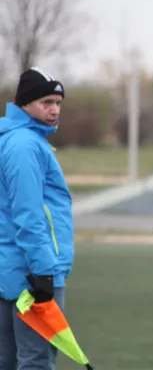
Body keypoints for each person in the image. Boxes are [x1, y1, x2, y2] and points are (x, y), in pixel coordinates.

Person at [0, 67, 73, 370]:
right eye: (46, 102)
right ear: (25, 104)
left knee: (9, 360)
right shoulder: (25, 146)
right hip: (32, 275)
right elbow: (29, 215)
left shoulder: (17, 139)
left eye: (58, 103)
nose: (54, 110)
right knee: (36, 362)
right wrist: (44, 272)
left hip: (13, 271)